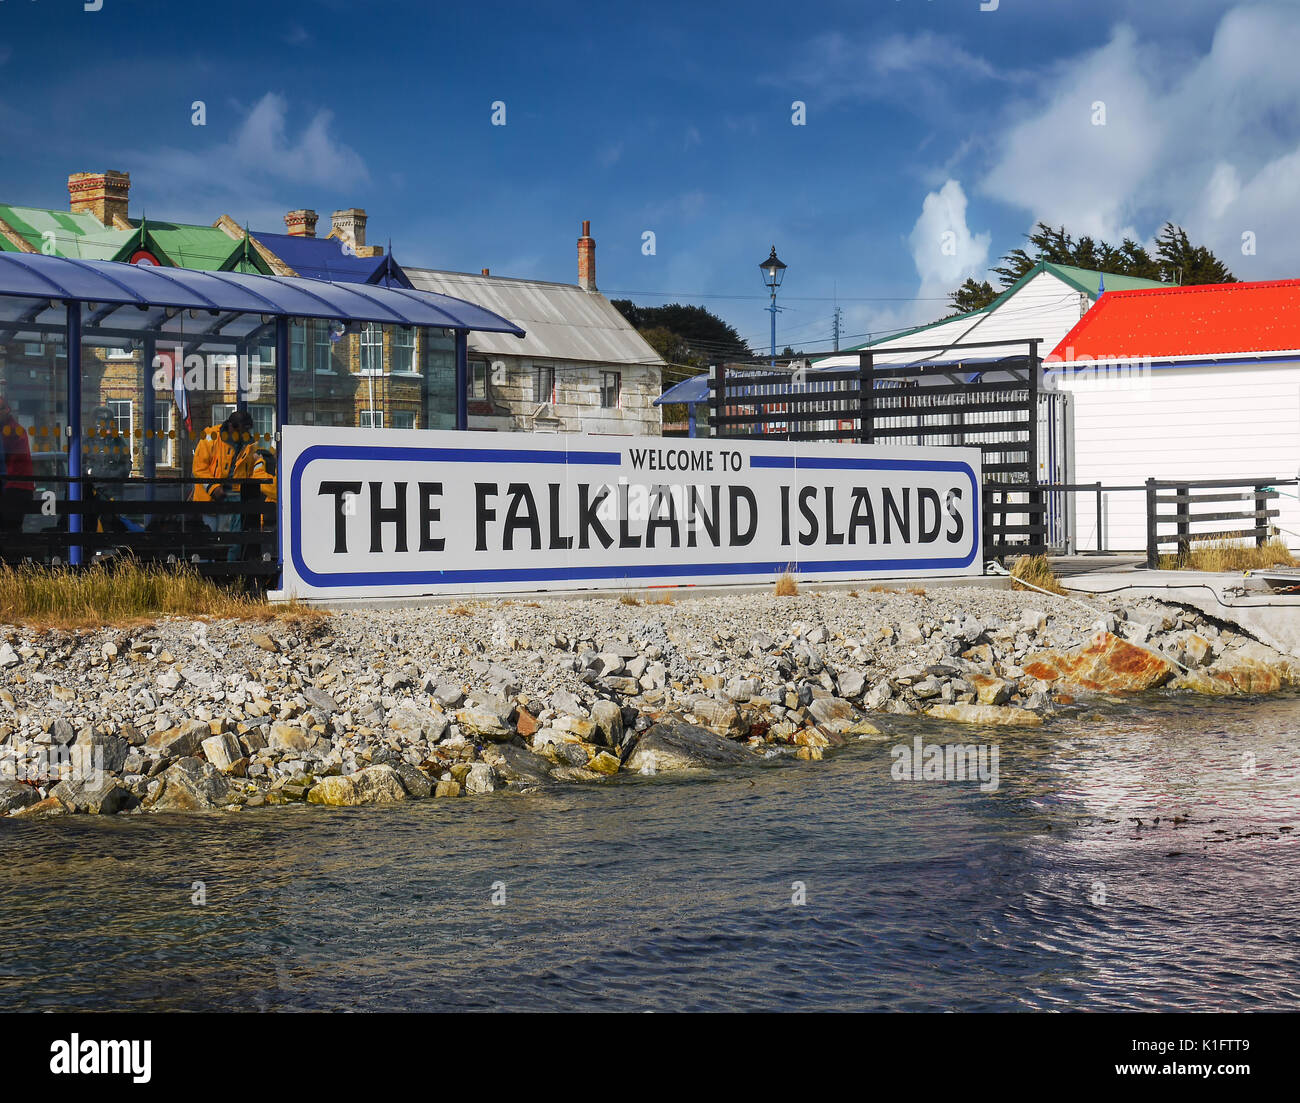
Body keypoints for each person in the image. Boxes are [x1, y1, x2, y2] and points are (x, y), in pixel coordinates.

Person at [191, 409, 257, 559]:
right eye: (243, 430)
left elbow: (252, 468)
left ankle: (228, 576)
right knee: (209, 541)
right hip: (211, 499)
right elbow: (199, 467)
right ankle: (208, 577)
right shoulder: (210, 437)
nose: (246, 433)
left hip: (235, 498)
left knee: (233, 543)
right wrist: (214, 488)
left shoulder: (248, 443)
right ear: (232, 427)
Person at [0, 394, 33, 541]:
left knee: (9, 534)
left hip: (14, 488)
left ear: (6, 410)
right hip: (16, 488)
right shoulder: (13, 430)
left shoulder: (11, 431)